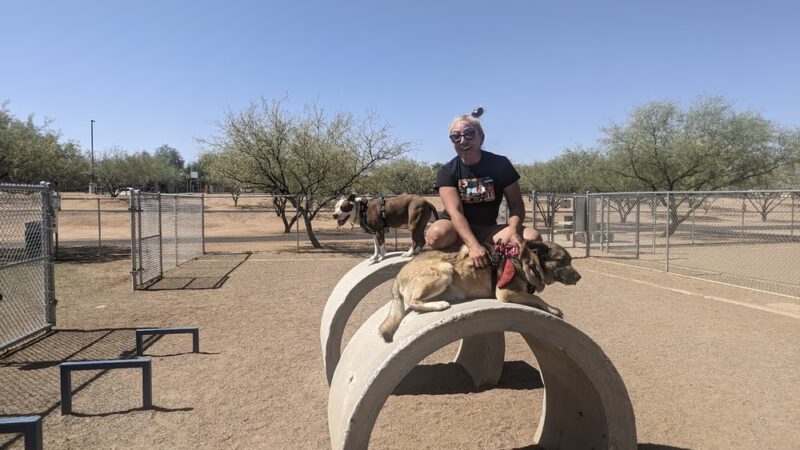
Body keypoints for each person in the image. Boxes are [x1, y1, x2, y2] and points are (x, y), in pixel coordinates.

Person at [425, 107, 541, 268]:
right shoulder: (447, 172)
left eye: (469, 134)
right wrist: (472, 245)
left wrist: (513, 231)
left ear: (481, 137)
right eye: (456, 137)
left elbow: (516, 205)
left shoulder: (501, 165)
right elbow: (455, 212)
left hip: (488, 230)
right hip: (456, 230)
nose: (463, 140)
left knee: (532, 238)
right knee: (435, 235)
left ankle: (509, 278)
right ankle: (460, 260)